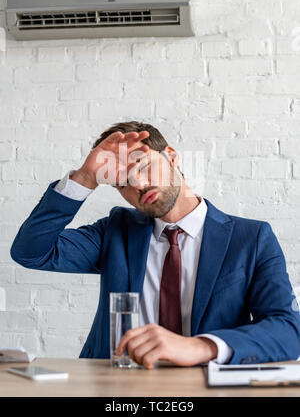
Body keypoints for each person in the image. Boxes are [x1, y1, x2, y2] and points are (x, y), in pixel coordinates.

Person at [10, 121, 300, 370]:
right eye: (123, 183)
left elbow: (287, 330)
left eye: (144, 166)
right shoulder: (115, 230)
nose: (137, 184)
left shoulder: (251, 238)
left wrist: (200, 347)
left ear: (171, 157)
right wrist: (85, 178)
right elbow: (32, 252)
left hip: (204, 384)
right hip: (115, 386)